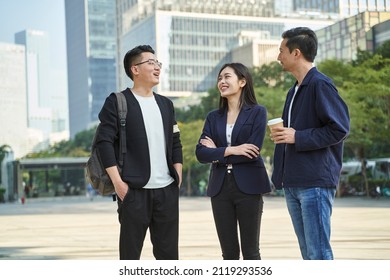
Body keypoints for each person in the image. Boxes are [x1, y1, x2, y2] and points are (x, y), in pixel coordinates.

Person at [95, 45, 183, 260]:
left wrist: (177, 176)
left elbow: (175, 141)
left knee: (169, 256)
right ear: (135, 69)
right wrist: (118, 184)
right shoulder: (117, 101)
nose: (157, 67)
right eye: (151, 62)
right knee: (130, 257)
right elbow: (103, 143)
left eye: (158, 63)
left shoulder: (166, 104)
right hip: (133, 190)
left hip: (166, 191)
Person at [270, 27, 350, 260]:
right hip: (293, 182)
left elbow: (339, 128)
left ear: (296, 53)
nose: (278, 57)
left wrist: (298, 136)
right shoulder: (292, 91)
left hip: (314, 183)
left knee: (318, 252)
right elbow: (293, 132)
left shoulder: (320, 85)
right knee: (308, 253)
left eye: (281, 51)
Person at [195, 62, 271, 260]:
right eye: (220, 78)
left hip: (249, 186)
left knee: (251, 252)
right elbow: (201, 153)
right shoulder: (213, 117)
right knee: (228, 253)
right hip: (219, 189)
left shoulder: (257, 112)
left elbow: (252, 151)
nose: (222, 82)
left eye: (227, 77)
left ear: (242, 81)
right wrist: (232, 149)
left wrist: (217, 152)